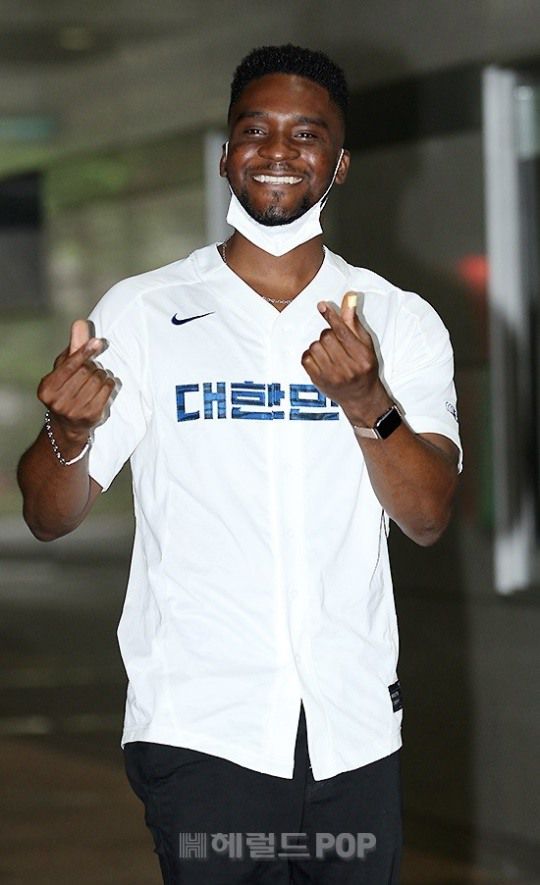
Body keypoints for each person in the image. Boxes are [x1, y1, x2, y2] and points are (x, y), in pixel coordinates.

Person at [18, 44, 462, 885]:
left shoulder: (398, 320)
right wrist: (66, 430)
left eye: (307, 133)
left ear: (340, 163)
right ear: (226, 155)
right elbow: (48, 514)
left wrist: (369, 402)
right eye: (256, 131)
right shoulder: (144, 312)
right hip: (203, 733)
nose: (278, 150)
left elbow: (429, 513)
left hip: (353, 731)